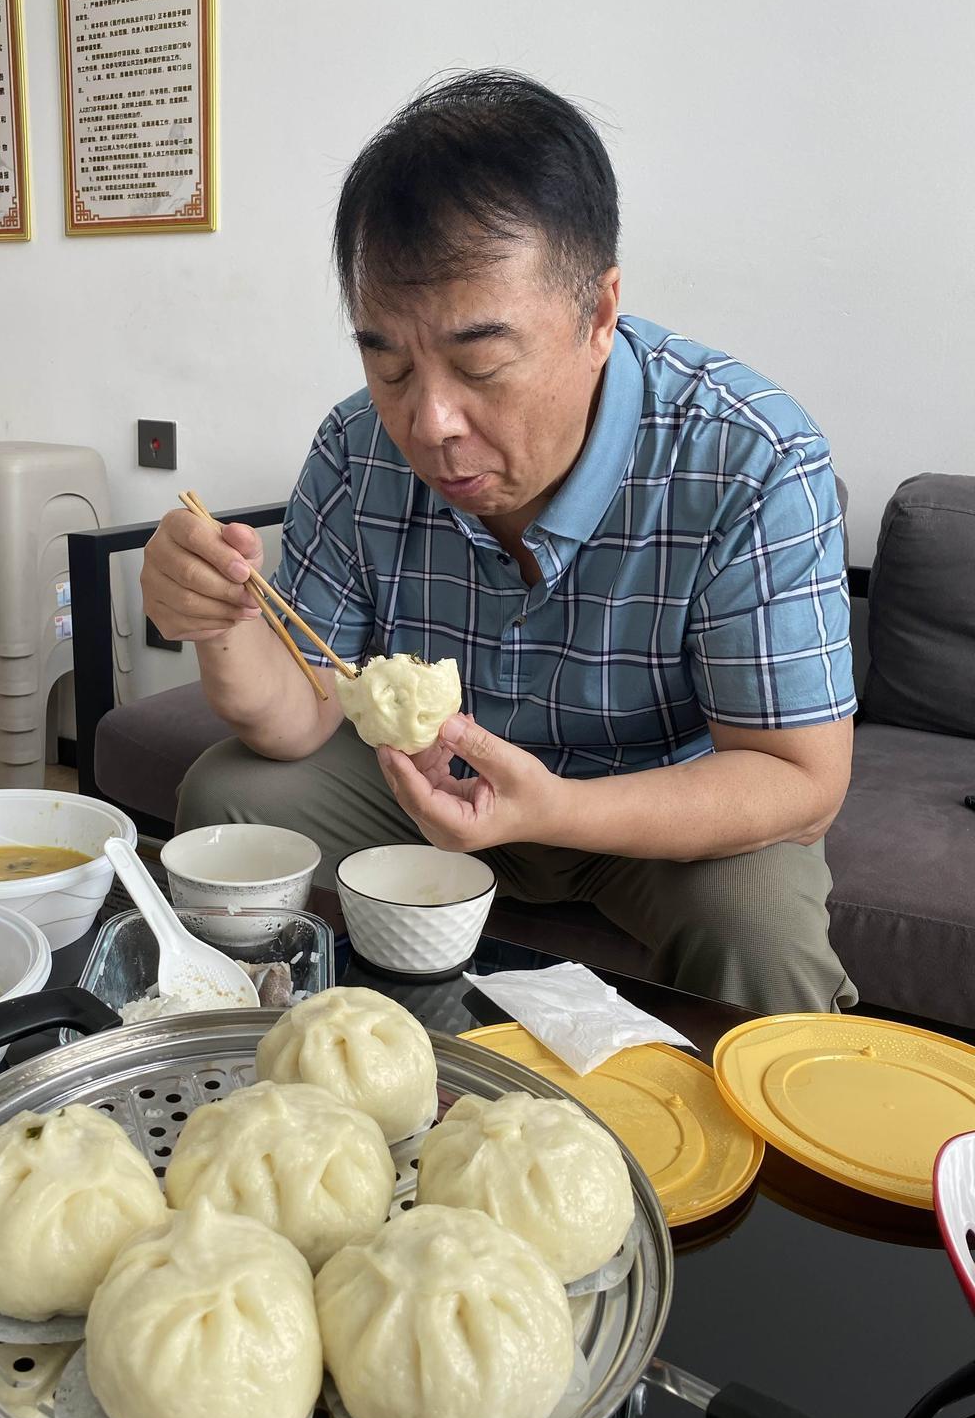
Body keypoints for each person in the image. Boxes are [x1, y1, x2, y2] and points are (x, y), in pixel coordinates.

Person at [141, 70, 857, 1014]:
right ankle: (264, 1061)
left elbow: (800, 780)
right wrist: (220, 620)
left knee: (759, 928)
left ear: (599, 314)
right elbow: (301, 714)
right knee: (231, 794)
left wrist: (554, 809)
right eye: (388, 362)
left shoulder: (748, 456)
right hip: (421, 784)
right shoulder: (357, 449)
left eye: (480, 364)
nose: (429, 421)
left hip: (651, 803)